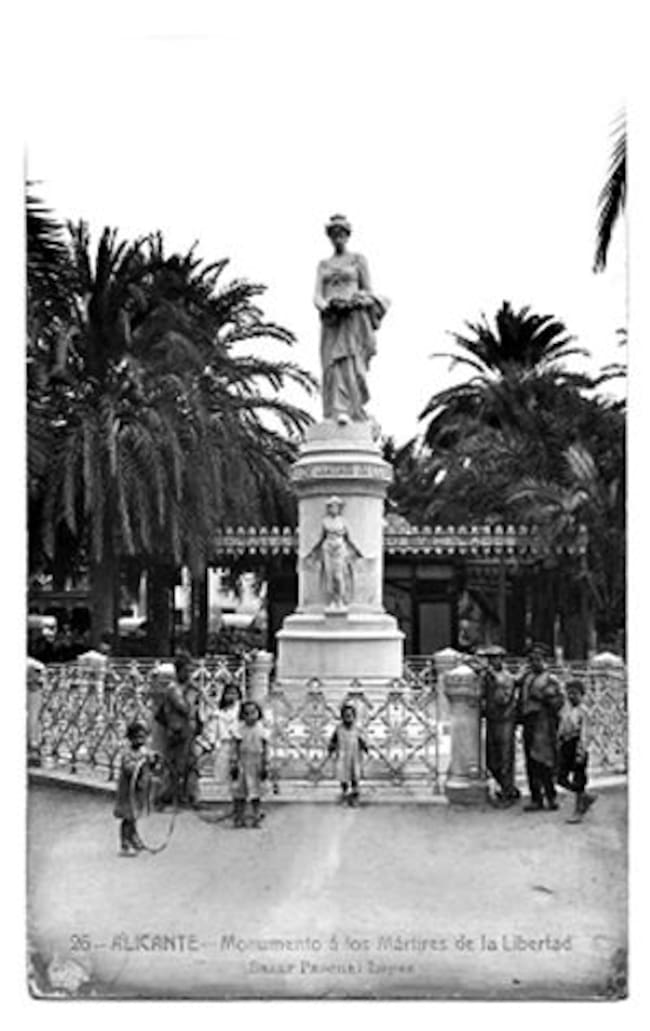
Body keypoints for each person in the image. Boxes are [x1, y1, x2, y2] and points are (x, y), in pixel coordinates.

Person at [314, 214, 389, 423]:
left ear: (348, 235)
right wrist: (328, 307)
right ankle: (337, 409)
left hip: (353, 318)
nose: (338, 237)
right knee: (332, 365)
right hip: (332, 320)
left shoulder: (358, 260)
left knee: (352, 363)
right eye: (334, 234)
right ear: (329, 237)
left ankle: (352, 409)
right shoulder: (323, 264)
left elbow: (368, 290)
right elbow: (317, 295)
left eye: (341, 233)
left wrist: (355, 301)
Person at [515, 643, 565, 812]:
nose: (534, 662)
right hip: (529, 722)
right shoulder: (526, 678)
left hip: (543, 723)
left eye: (538, 659)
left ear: (544, 660)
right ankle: (536, 797)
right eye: (531, 659)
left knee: (544, 760)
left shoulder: (550, 679)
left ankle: (551, 796)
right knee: (530, 761)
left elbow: (559, 702)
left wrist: (544, 697)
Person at [479, 645, 520, 806]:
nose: (491, 662)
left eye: (495, 658)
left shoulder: (506, 677)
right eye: (490, 659)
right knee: (492, 759)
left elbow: (503, 699)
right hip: (492, 719)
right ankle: (505, 787)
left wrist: (493, 681)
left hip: (505, 720)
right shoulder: (486, 677)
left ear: (502, 659)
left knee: (505, 757)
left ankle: (508, 791)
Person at [113, 720, 161, 857]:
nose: (140, 741)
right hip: (128, 792)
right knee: (127, 818)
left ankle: (134, 838)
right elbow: (129, 768)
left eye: (143, 737)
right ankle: (125, 844)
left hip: (139, 791)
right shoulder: (127, 753)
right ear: (130, 738)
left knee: (134, 817)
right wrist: (140, 761)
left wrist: (154, 761)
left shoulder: (144, 751)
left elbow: (152, 767)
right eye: (137, 737)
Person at [306, 496, 363, 608]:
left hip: (339, 548)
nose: (333, 508)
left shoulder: (343, 521)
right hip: (328, 548)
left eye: (336, 506)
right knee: (330, 575)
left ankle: (340, 599)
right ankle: (333, 599)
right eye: (331, 506)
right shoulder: (325, 521)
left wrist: (356, 550)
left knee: (339, 575)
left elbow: (349, 538)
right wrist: (312, 551)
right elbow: (321, 537)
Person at [557, 679, 597, 824]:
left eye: (575, 694)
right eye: (569, 693)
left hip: (578, 745)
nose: (572, 696)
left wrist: (581, 751)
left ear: (582, 695)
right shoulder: (566, 709)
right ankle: (585, 796)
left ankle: (579, 809)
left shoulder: (584, 711)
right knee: (560, 777)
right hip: (566, 745)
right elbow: (562, 727)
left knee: (579, 777)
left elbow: (585, 733)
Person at [230, 700, 269, 828]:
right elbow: (235, 747)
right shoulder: (239, 729)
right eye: (246, 714)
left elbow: (265, 747)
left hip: (256, 763)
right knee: (239, 792)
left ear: (258, 713)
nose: (250, 716)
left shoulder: (262, 729)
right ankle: (238, 817)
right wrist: (234, 762)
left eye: (253, 712)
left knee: (256, 792)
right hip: (243, 762)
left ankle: (256, 817)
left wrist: (265, 764)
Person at [328, 701, 369, 806]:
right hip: (343, 756)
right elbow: (333, 740)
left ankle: (355, 796)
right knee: (343, 777)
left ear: (354, 717)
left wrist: (365, 748)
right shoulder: (339, 729)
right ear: (342, 717)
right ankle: (345, 794)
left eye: (350, 716)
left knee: (355, 776)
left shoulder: (357, 729)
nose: (348, 718)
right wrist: (331, 748)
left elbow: (362, 740)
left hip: (354, 756)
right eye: (346, 716)